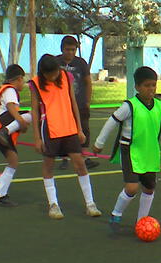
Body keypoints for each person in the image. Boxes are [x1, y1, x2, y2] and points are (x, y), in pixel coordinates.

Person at [92, 66, 161, 230]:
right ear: (137, 87)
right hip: (130, 150)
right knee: (132, 187)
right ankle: (116, 213)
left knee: (149, 188)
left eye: (153, 85)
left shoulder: (160, 106)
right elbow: (111, 122)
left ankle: (141, 222)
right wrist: (99, 143)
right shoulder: (130, 106)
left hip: (150, 151)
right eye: (146, 85)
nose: (151, 89)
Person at [29, 54, 102, 219]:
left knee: (80, 164)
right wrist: (37, 138)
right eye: (51, 74)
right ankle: (53, 205)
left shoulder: (65, 76)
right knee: (48, 166)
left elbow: (72, 102)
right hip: (49, 129)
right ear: (43, 72)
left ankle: (90, 204)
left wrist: (79, 129)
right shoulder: (34, 84)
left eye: (56, 72)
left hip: (69, 127)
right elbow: (34, 111)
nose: (55, 76)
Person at [0, 64, 32, 206]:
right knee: (33, 114)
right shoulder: (10, 90)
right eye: (23, 80)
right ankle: (0, 194)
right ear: (18, 79)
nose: (24, 84)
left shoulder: (5, 89)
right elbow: (10, 107)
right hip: (1, 125)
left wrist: (21, 124)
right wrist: (20, 121)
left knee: (13, 161)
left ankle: (1, 184)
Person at [55, 35, 99, 170]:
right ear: (62, 49)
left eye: (73, 50)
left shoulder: (81, 63)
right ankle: (64, 158)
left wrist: (87, 101)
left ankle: (85, 157)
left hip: (79, 102)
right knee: (63, 130)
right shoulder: (55, 62)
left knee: (84, 128)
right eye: (67, 50)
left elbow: (88, 82)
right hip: (61, 104)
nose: (70, 53)